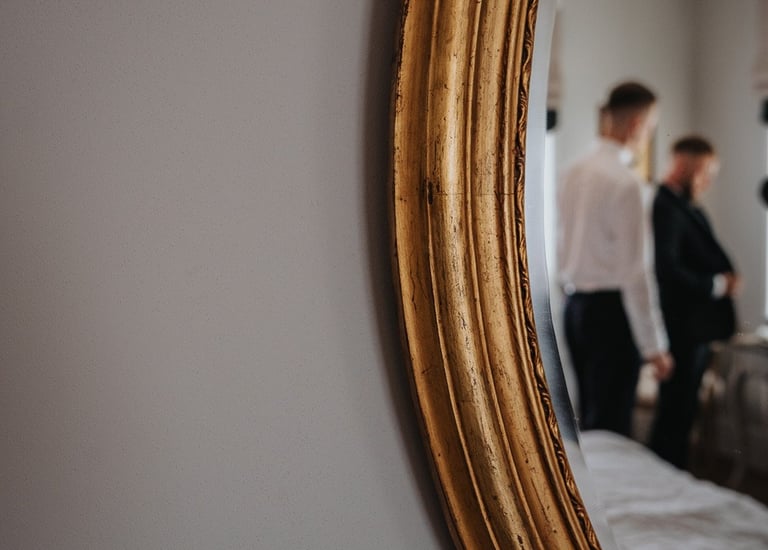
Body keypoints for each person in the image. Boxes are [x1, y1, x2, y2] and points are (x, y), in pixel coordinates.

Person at [558, 81, 674, 437]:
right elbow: (636, 272)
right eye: (650, 127)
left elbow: (562, 242)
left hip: (574, 308)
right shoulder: (627, 183)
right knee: (612, 427)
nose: (647, 135)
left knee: (589, 420)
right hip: (611, 315)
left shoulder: (571, 170)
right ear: (637, 124)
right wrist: (655, 346)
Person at [649, 136, 739, 469]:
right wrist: (718, 284)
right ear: (683, 165)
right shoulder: (666, 207)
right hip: (682, 327)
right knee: (676, 413)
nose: (707, 181)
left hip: (694, 328)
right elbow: (667, 268)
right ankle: (666, 479)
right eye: (704, 172)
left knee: (683, 413)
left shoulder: (687, 206)